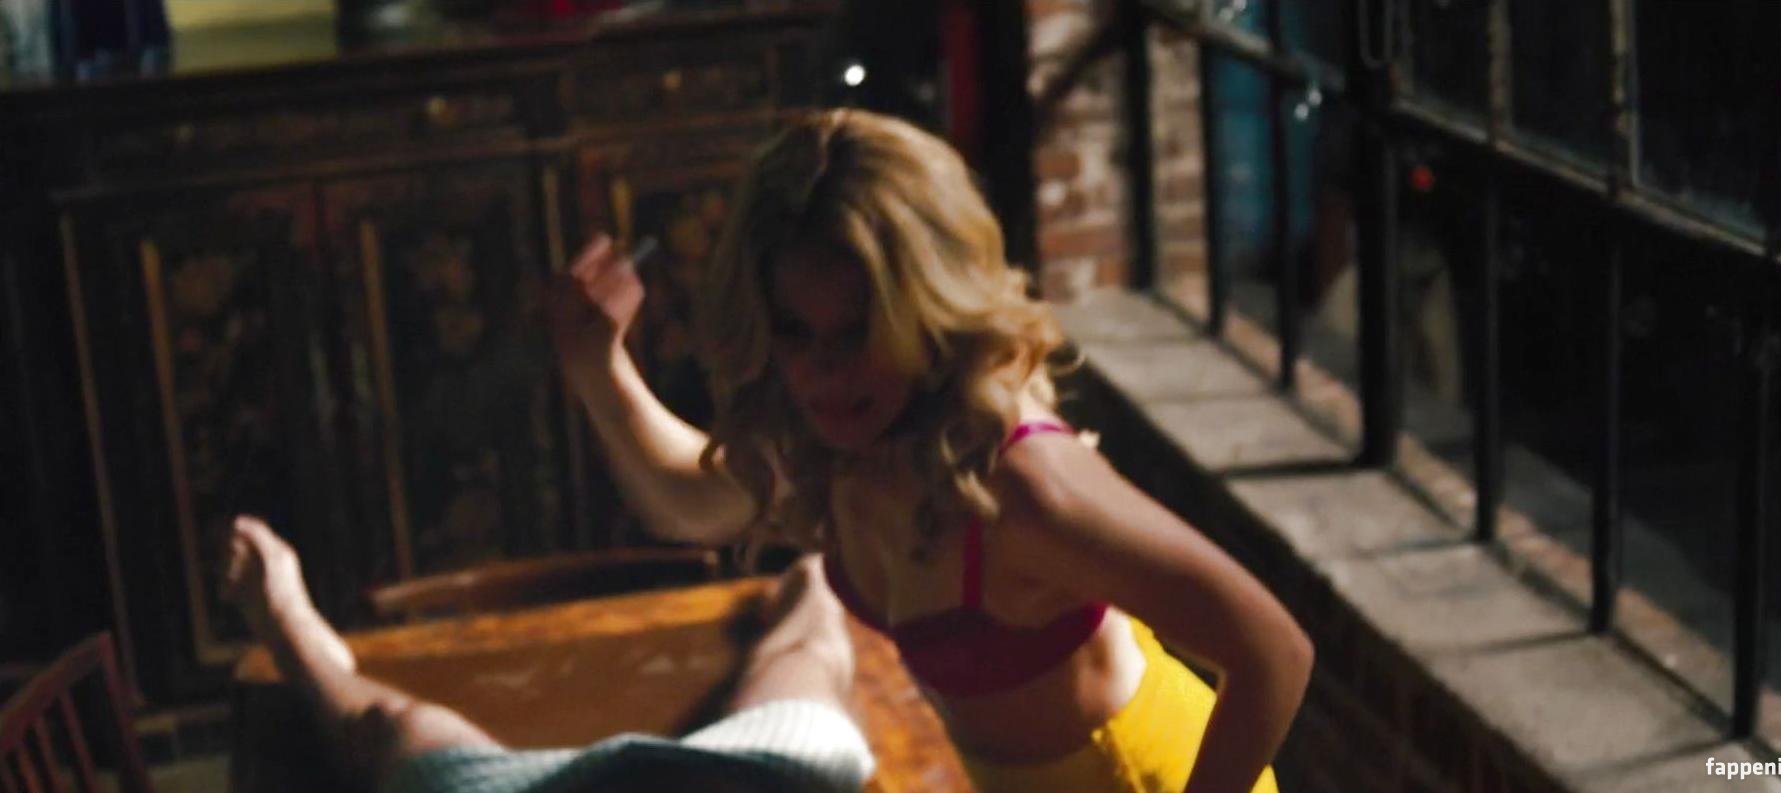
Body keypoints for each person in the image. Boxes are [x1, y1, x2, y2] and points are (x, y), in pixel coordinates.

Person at [549, 107, 1314, 793]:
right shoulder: (847, 438)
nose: (823, 371)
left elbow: (1274, 650)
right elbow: (691, 501)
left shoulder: (1022, 484)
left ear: (924, 308)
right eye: (795, 331)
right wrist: (596, 366)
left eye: (858, 331)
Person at [221, 515, 875, 793]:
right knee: (809, 647)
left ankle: (294, 633)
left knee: (391, 728)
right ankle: (814, 577)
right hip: (747, 781)